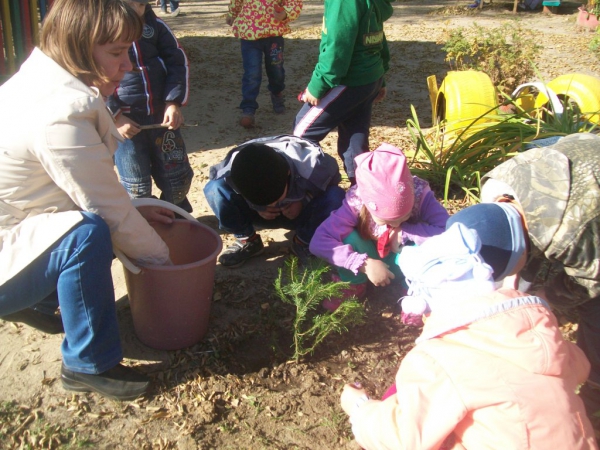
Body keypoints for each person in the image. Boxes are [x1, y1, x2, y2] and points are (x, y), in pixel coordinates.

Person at [0, 0, 176, 401]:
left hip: (16, 222)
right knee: (87, 235)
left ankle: (43, 305)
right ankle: (88, 363)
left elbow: (74, 186)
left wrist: (142, 212)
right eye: (116, 53)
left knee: (96, 228)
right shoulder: (59, 112)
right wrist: (165, 261)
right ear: (78, 46)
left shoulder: (45, 77)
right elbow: (104, 209)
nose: (128, 66)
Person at [340, 222, 598, 450]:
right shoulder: (537, 330)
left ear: (424, 306)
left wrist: (360, 409)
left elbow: (406, 438)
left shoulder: (437, 360)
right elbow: (581, 366)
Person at [445, 132, 600, 429]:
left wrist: (539, 302)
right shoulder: (496, 187)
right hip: (576, 160)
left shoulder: (570, 234)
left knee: (593, 309)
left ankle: (595, 392)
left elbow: (588, 285)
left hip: (590, 198)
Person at [309, 143, 449, 311]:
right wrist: (363, 264)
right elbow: (319, 241)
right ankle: (354, 284)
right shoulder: (356, 203)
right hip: (370, 258)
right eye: (386, 221)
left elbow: (448, 232)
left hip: (407, 261)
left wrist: (407, 232)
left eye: (404, 216)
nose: (396, 224)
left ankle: (416, 290)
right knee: (350, 237)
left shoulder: (421, 195)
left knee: (431, 248)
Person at [203, 135, 345, 267]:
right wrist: (256, 206)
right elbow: (220, 184)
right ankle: (247, 239)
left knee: (336, 196)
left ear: (287, 172)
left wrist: (303, 199)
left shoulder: (314, 165)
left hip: (302, 213)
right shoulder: (232, 168)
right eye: (266, 202)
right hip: (257, 214)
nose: (272, 205)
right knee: (214, 188)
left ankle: (303, 242)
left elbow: (331, 185)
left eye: (276, 198)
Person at [293, 0, 393, 184]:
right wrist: (381, 76)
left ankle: (322, 185)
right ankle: (364, 194)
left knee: (302, 134)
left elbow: (337, 46)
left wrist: (317, 86)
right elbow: (377, 36)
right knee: (355, 139)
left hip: (349, 80)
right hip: (369, 78)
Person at [107, 0, 193, 213]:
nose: (138, 11)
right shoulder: (102, 33)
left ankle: (176, 214)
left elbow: (177, 61)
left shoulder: (155, 27)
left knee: (178, 180)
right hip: (125, 127)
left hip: (162, 120)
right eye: (131, 4)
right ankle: (145, 222)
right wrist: (115, 116)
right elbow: (91, 79)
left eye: (142, 4)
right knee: (137, 186)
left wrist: (172, 102)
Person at [226, 0, 303, 128]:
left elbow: (294, 2)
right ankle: (248, 108)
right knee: (252, 72)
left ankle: (276, 91)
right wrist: (232, 13)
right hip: (249, 33)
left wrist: (285, 13)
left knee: (276, 70)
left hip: (273, 33)